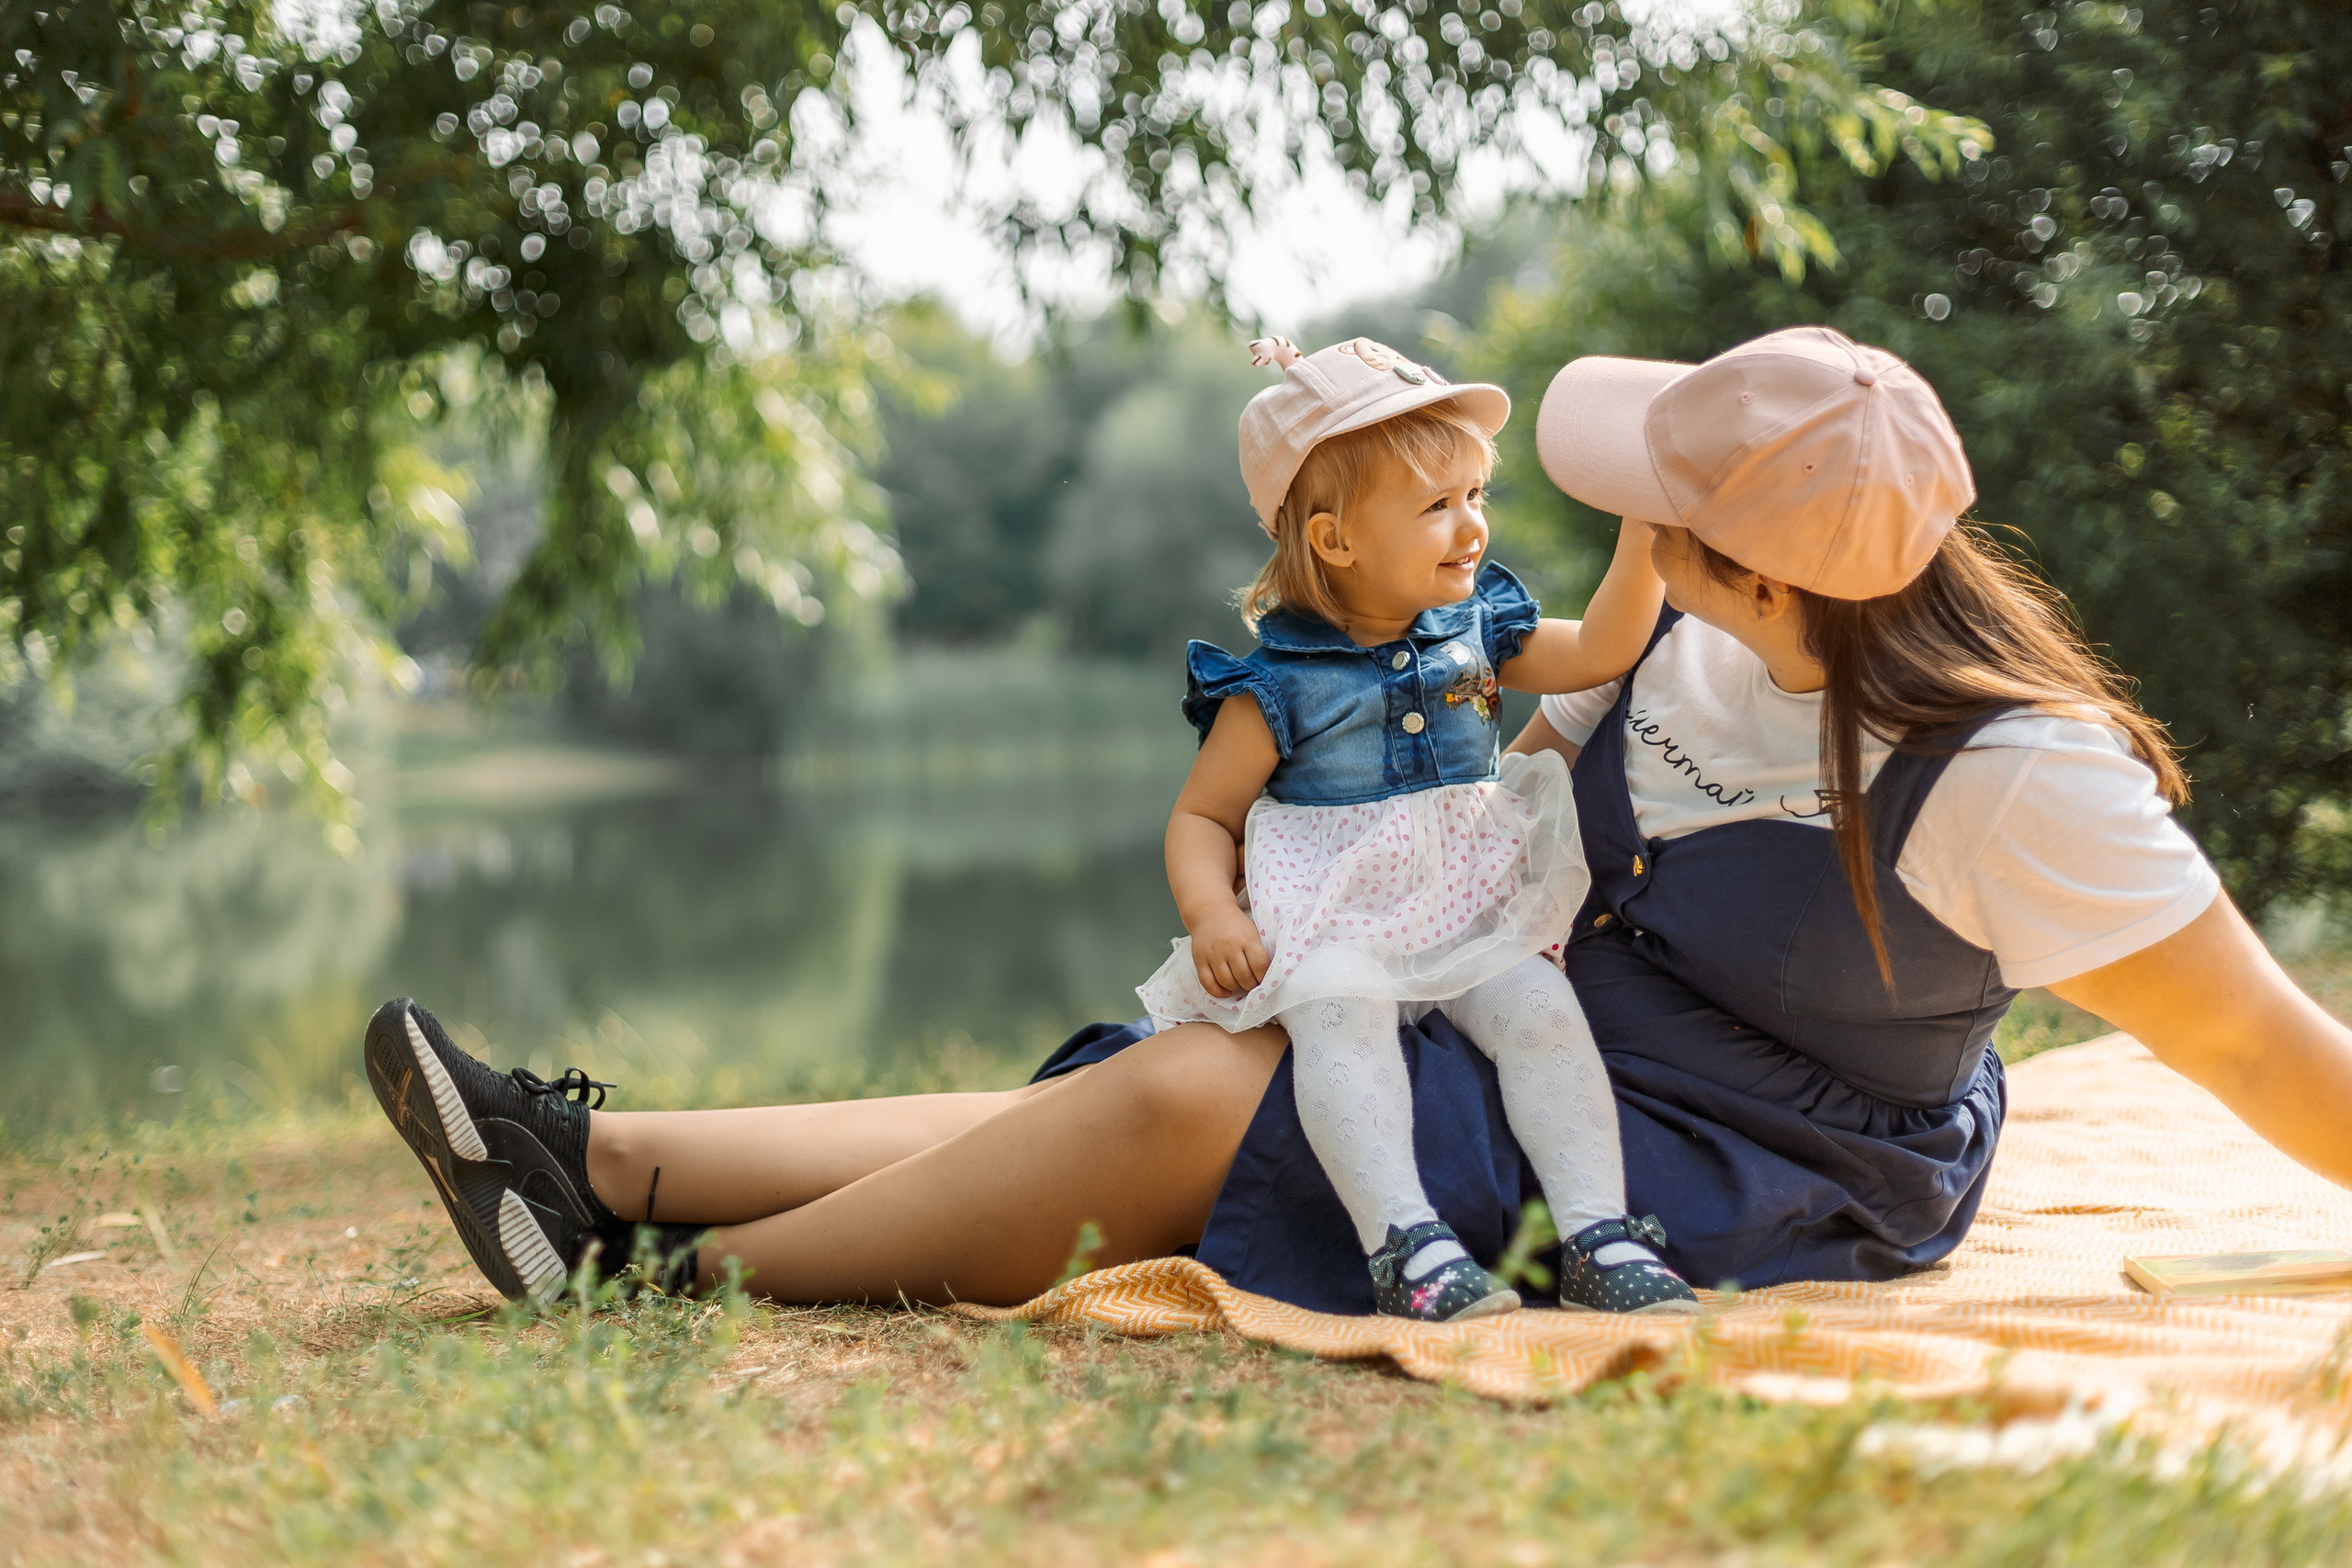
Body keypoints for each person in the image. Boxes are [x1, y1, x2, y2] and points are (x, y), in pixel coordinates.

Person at [364, 325, 2352, 1317]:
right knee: (1192, 1055)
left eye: (1663, 505)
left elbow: (2272, 1050)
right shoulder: (1670, 649)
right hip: (1556, 1018)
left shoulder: (2014, 787)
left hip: (1759, 1147)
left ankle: (654, 1282)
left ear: (1755, 568)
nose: (1619, 518)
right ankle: (599, 1152)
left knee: (1188, 1104)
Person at [1135, 334, 1692, 1322]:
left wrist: (1641, 528)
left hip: (1464, 904)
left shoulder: (1476, 629)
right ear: (1334, 541)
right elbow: (1201, 816)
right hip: (1331, 918)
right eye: (1436, 506)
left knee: (1541, 1015)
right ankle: (1405, 1240)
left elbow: (1607, 647)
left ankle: (1597, 1233)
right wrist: (1212, 911)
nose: (1470, 526)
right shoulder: (1275, 684)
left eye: (1475, 496)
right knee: (1340, 1015)